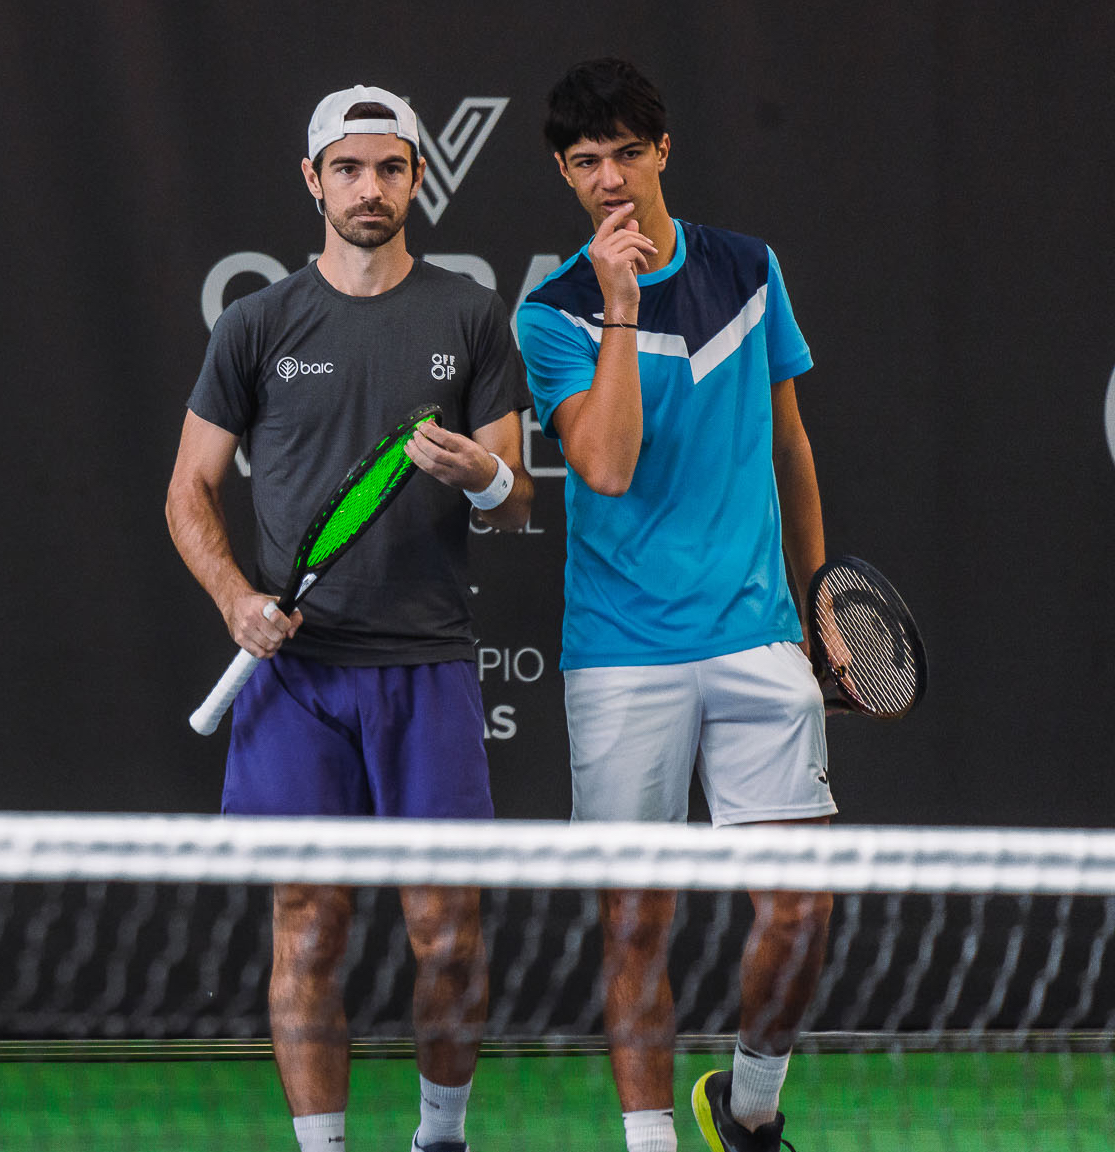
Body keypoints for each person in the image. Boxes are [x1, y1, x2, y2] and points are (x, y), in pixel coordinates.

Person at [166, 84, 533, 1152]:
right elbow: (187, 488)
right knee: (307, 927)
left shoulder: (467, 316)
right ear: (311, 179)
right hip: (294, 680)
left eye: (388, 168)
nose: (366, 188)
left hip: (426, 669)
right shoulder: (256, 324)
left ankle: (439, 1140)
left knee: (447, 938)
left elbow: (515, 499)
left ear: (417, 177)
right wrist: (236, 598)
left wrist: (477, 476)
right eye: (346, 168)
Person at [512, 58, 837, 1152]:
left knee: (799, 914)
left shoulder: (748, 270)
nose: (608, 178)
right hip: (620, 652)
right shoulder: (551, 313)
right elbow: (601, 465)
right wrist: (616, 302)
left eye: (624, 153)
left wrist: (818, 596)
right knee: (633, 921)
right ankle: (647, 1142)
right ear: (564, 174)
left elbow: (788, 444)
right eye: (584, 161)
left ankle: (745, 1110)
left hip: (755, 632)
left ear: (662, 152)